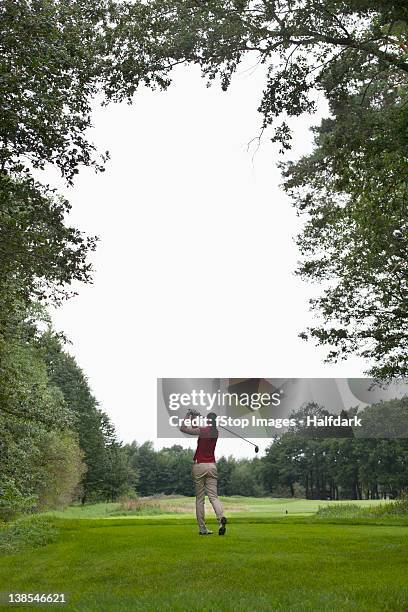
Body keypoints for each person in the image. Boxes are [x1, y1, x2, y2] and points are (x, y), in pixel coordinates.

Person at [180, 410, 227, 536]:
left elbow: (183, 428)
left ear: (207, 420)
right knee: (213, 497)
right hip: (212, 466)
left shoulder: (203, 431)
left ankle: (202, 528)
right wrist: (194, 417)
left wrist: (188, 415)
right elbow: (196, 427)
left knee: (200, 499)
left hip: (200, 465)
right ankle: (220, 518)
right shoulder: (216, 432)